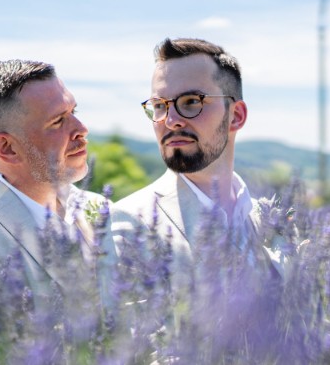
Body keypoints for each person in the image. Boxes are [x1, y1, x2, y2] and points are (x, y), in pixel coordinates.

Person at [0, 59, 114, 305]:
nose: (82, 129)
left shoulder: (101, 207)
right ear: (7, 148)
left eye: (74, 112)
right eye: (58, 121)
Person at [111, 37, 288, 279]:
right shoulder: (129, 225)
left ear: (235, 116)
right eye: (159, 106)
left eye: (191, 102)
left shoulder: (267, 218)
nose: (171, 121)